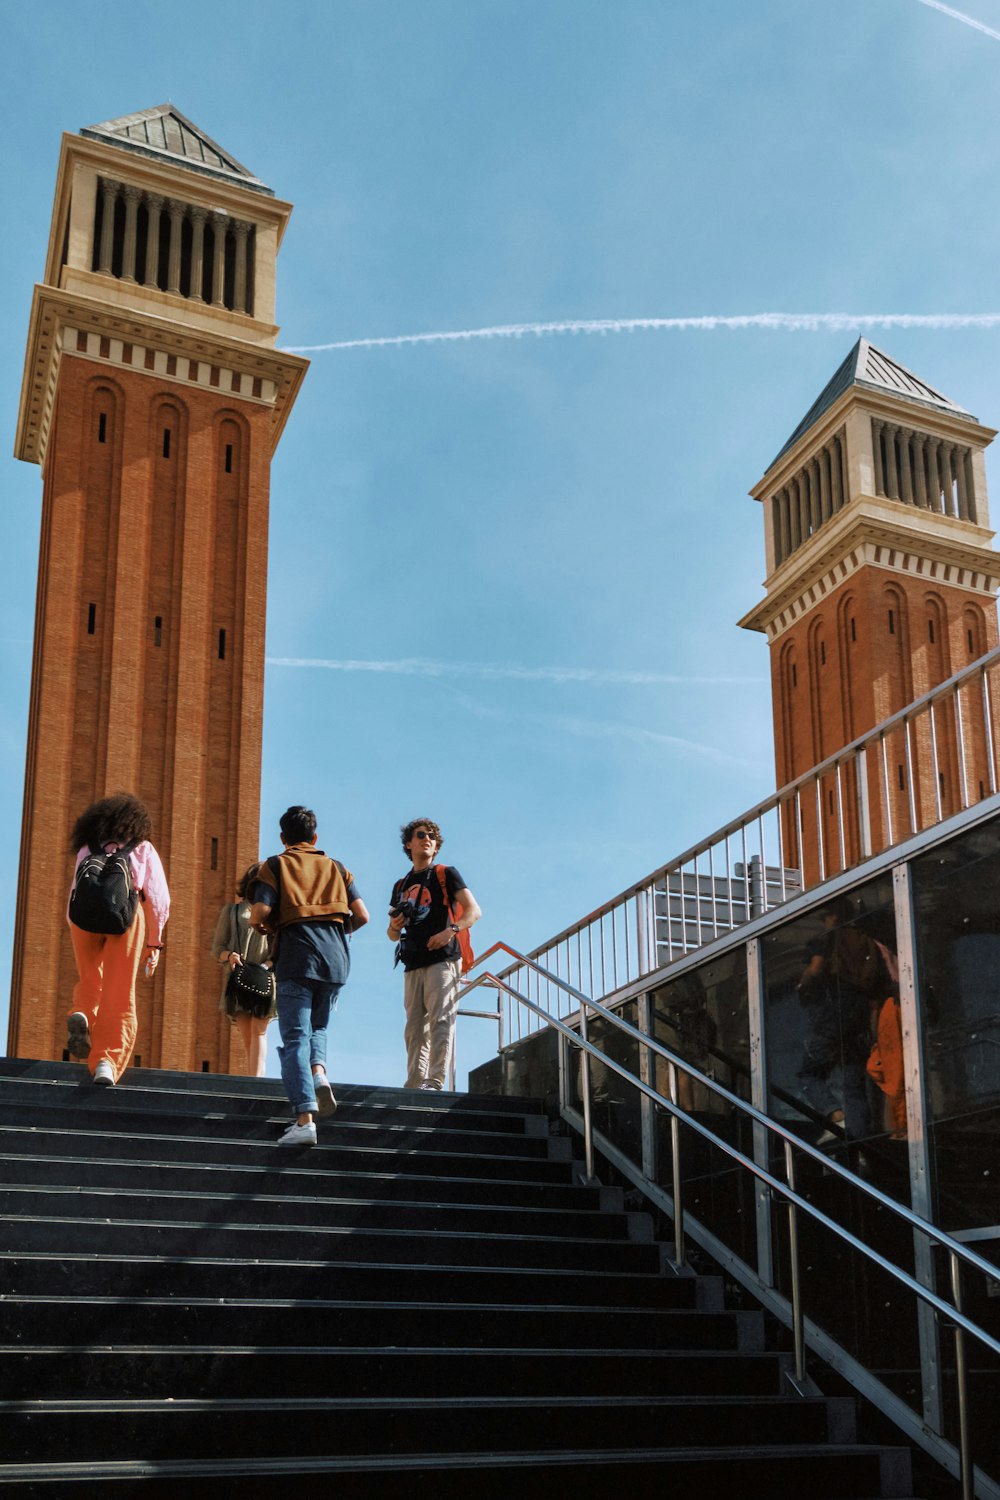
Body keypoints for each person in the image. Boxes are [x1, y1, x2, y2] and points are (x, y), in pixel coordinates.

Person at [249, 807, 368, 1148]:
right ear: (315, 838)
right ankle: (319, 1073)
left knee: (295, 1038)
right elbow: (362, 914)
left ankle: (304, 1120)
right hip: (336, 959)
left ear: (283, 838)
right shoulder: (338, 867)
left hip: (298, 956)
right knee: (318, 1028)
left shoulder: (275, 865)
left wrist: (262, 926)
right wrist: (333, 930)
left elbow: (260, 912)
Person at [65, 792, 170, 1087]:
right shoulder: (143, 848)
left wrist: (75, 925)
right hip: (124, 917)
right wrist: (154, 942)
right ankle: (106, 1062)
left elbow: (75, 890)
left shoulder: (88, 846)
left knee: (90, 978)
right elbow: (159, 900)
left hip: (82, 921)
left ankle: (82, 1013)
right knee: (119, 991)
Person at [387, 818, 481, 1091]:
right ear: (409, 843)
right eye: (420, 835)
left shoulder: (445, 873)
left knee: (441, 1019)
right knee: (414, 1028)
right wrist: (394, 928)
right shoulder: (401, 885)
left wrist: (450, 931)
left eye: (432, 836)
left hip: (443, 958)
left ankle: (435, 1080)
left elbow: (474, 911)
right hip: (412, 961)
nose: (427, 839)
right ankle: (415, 1083)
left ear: (436, 846)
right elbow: (392, 934)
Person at [211, 863, 275, 1077]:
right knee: (248, 1035)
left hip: (265, 976)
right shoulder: (232, 911)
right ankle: (252, 1078)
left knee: (259, 1030)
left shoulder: (276, 912)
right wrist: (229, 956)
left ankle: (257, 1081)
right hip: (240, 978)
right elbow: (217, 948)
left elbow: (283, 948)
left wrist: (269, 965)